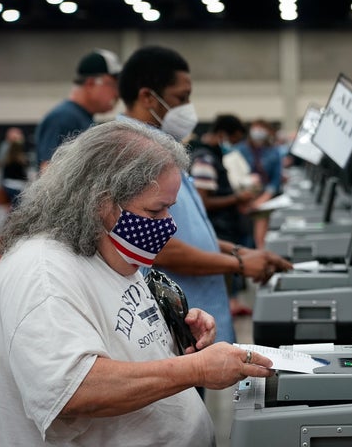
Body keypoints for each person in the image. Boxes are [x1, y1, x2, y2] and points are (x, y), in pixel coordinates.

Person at [0, 121, 274, 446]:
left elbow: (115, 328)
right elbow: (74, 390)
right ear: (102, 202)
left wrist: (175, 332)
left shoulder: (102, 244)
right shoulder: (42, 274)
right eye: (155, 210)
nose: (168, 225)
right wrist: (197, 370)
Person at [117, 45, 292, 345]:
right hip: (170, 322)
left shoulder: (159, 146)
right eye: (180, 98)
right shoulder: (130, 153)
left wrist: (237, 251)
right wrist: (236, 264)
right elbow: (156, 247)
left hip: (193, 317)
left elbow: (189, 230)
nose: (188, 107)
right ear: (147, 97)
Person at [187, 114, 257, 316]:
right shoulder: (205, 159)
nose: (233, 146)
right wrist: (236, 198)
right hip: (218, 229)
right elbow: (204, 201)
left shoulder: (212, 156)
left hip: (225, 228)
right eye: (233, 140)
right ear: (222, 134)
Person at [34, 48, 121, 172]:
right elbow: (49, 173)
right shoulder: (64, 117)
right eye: (113, 85)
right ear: (90, 84)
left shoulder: (80, 117)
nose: (117, 93)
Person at [235, 118, 284, 249]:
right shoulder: (240, 149)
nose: (258, 132)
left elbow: (275, 181)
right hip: (242, 197)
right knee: (243, 237)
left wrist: (262, 200)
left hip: (263, 198)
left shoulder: (274, 151)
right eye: (256, 128)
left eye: (261, 129)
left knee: (260, 238)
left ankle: (260, 251)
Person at [0, 139, 28, 209]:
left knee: (10, 206)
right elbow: (22, 175)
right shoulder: (21, 161)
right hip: (18, 186)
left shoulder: (7, 159)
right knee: (18, 206)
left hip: (8, 185)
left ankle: (10, 218)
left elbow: (4, 174)